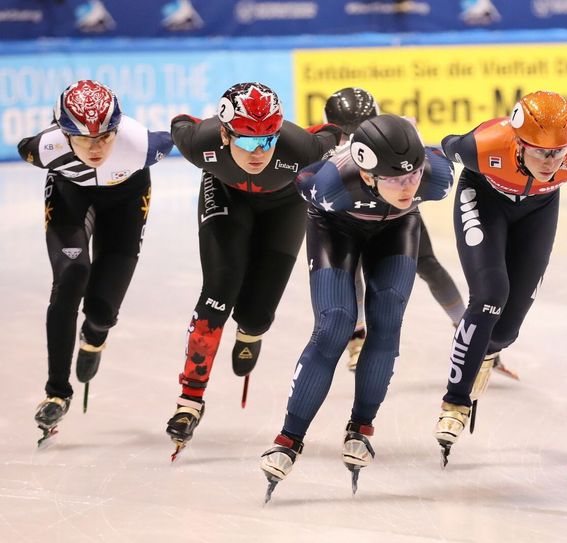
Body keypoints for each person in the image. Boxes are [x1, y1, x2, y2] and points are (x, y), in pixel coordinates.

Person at [259, 114, 455, 500]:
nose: (408, 186)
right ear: (367, 175)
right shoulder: (331, 184)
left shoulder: (437, 178)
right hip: (336, 228)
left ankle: (361, 427)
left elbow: (441, 154)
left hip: (396, 230)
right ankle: (289, 437)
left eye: (413, 175)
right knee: (334, 324)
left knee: (388, 320)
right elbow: (298, 180)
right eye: (396, 179)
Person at [165, 82, 340, 459]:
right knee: (219, 287)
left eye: (267, 141)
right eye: (246, 142)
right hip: (225, 193)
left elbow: (334, 134)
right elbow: (181, 122)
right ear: (225, 134)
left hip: (285, 204)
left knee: (257, 314)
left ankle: (251, 332)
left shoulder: (302, 149)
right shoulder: (200, 143)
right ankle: (189, 400)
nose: (258, 153)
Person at [433, 90, 567, 466]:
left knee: (505, 332)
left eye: (559, 151)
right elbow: (445, 147)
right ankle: (455, 401)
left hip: (538, 211)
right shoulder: (481, 146)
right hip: (484, 199)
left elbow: (566, 156)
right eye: (541, 151)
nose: (551, 161)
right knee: (491, 294)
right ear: (518, 141)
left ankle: (488, 352)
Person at [18, 80, 173, 446]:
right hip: (72, 204)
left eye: (106, 136)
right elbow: (24, 146)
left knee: (102, 311)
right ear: (63, 131)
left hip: (125, 207)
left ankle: (95, 336)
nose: (97, 147)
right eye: (85, 139)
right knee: (71, 277)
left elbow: (195, 137)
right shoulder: (44, 148)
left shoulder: (142, 145)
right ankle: (57, 391)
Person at [322, 87, 468, 373]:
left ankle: (468, 330)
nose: (353, 140)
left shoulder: (400, 131)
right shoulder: (326, 145)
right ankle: (357, 338)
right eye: (346, 133)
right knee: (352, 269)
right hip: (357, 214)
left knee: (427, 265)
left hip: (397, 213)